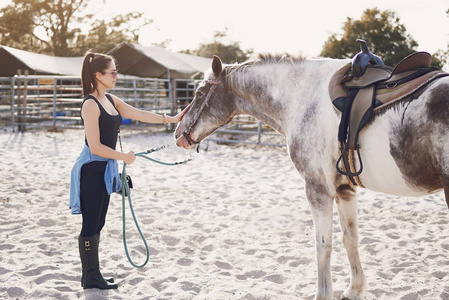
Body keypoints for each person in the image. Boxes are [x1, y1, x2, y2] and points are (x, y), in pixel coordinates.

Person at [69, 51, 185, 290]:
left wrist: (171, 120)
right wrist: (124, 157)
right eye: (112, 72)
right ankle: (90, 276)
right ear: (98, 75)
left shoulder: (111, 100)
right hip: (91, 168)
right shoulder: (90, 104)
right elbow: (95, 146)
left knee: (99, 221)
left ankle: (91, 275)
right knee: (91, 223)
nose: (116, 76)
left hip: (105, 168)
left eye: (116, 72)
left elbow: (140, 114)